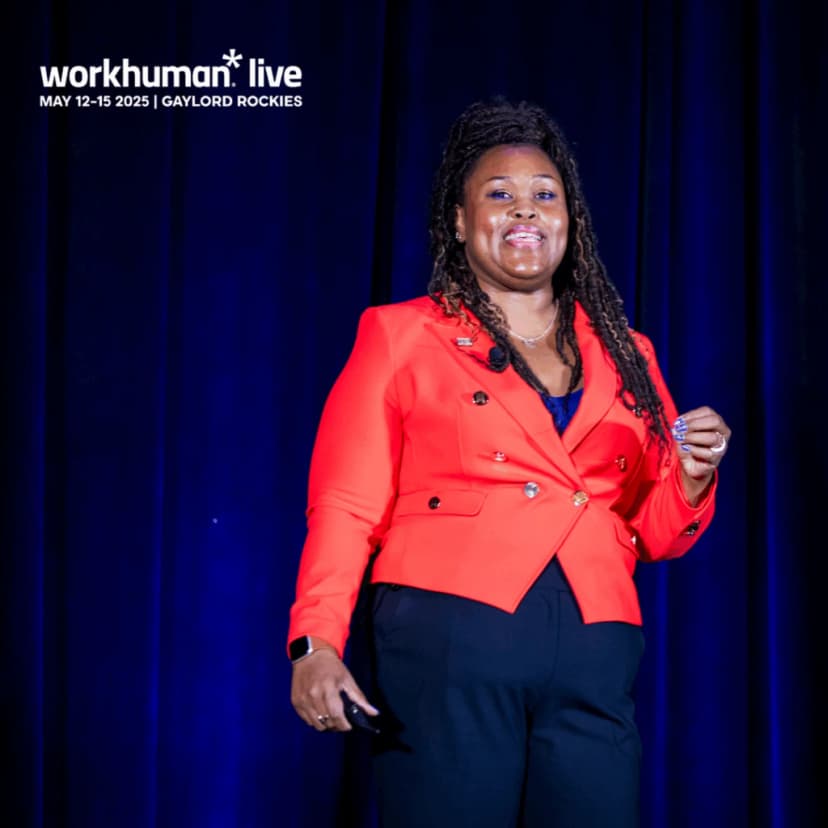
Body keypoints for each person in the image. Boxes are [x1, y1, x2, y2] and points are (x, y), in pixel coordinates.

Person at [287, 99, 730, 827]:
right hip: (450, 632)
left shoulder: (629, 352)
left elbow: (655, 534)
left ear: (570, 221)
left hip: (596, 639)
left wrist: (691, 475)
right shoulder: (401, 335)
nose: (525, 208)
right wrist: (316, 642)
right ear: (460, 223)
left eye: (545, 195)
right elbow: (345, 504)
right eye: (499, 194)